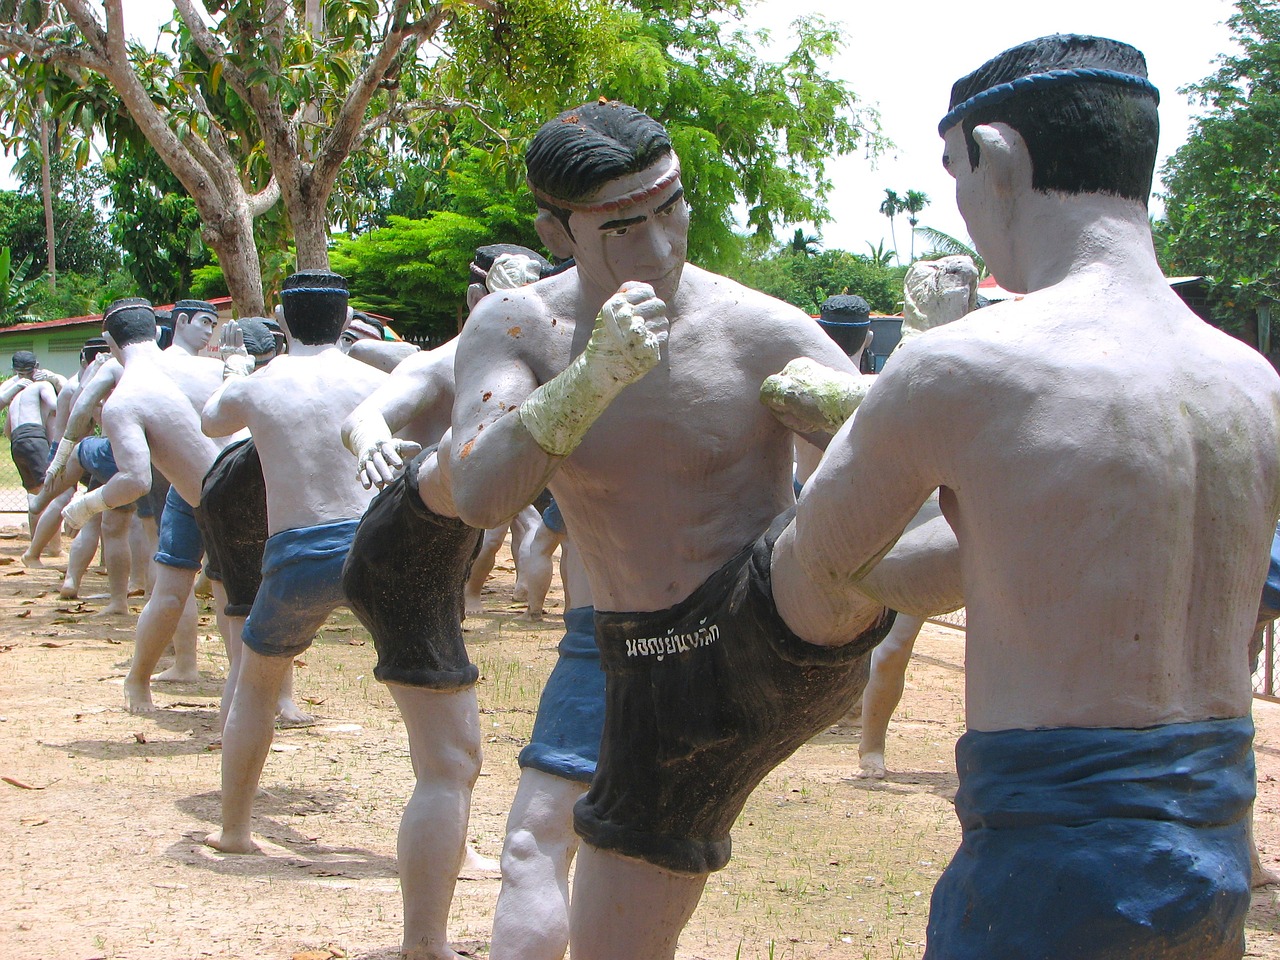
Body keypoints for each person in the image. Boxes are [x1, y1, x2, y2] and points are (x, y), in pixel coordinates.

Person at [766, 35, 1280, 958]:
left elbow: (810, 585)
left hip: (1052, 861)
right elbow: (999, 563)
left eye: (955, 175)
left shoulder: (962, 368)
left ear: (995, 156)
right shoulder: (1251, 383)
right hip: (1215, 849)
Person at [447, 101, 890, 960]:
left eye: (670, 209)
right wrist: (589, 381)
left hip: (764, 623)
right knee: (559, 861)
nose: (656, 249)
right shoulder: (519, 328)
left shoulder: (759, 328)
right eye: (619, 228)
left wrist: (862, 414)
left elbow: (902, 485)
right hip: (639, 652)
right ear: (556, 227)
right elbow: (479, 493)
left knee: (890, 482)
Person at [339, 245, 554, 958]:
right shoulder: (452, 359)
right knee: (451, 761)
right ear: (481, 298)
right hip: (406, 558)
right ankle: (423, 946)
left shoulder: (518, 364)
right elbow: (368, 415)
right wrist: (373, 442)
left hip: (422, 558)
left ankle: (438, 893)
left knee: (448, 761)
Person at [202, 272, 386, 857]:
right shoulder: (374, 379)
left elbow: (212, 422)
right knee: (429, 694)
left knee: (254, 687)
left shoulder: (263, 384)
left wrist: (235, 370)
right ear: (345, 316)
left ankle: (234, 830)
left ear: (282, 321)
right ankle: (460, 847)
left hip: (296, 550)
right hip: (374, 545)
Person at [60, 298, 233, 711]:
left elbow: (134, 479)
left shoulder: (126, 394)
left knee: (186, 593)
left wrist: (83, 505)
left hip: (215, 496)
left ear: (109, 342)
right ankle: (145, 678)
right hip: (210, 492)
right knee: (218, 595)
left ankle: (141, 680)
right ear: (159, 332)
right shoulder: (209, 368)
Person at [194, 317, 311, 731]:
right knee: (244, 611)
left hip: (237, 493)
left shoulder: (276, 380)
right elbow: (216, 430)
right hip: (228, 492)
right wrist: (234, 373)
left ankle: (278, 696)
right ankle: (250, 699)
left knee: (260, 606)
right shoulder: (239, 387)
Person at [3, 351, 62, 557]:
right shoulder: (42, 385)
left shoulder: (13, 391)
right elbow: (55, 406)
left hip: (17, 444)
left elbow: (7, 431)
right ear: (37, 366)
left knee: (34, 495)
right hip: (34, 439)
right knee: (49, 495)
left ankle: (36, 543)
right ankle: (54, 548)